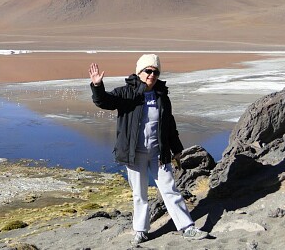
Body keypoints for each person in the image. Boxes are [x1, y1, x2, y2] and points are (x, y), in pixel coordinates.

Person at [88, 54, 208, 245]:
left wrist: (176, 149)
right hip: (134, 154)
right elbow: (104, 102)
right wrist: (97, 86)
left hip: (158, 154)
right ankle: (141, 231)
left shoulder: (162, 97)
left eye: (156, 72)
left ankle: (187, 227)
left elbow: (169, 125)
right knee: (140, 194)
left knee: (170, 190)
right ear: (140, 72)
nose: (152, 75)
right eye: (148, 71)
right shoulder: (126, 93)